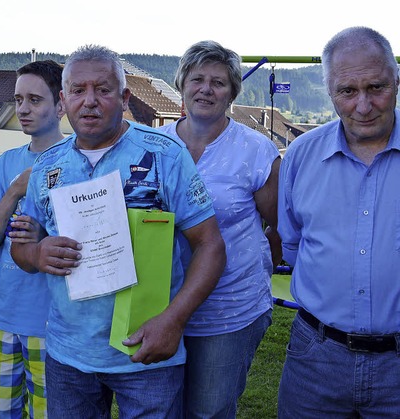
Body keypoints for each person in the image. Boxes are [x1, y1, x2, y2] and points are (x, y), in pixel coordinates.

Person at [10, 44, 226, 418]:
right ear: (63, 100)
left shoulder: (165, 156)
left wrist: (173, 321)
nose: (89, 102)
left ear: (125, 97)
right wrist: (36, 254)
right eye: (78, 91)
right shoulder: (46, 168)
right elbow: (21, 248)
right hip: (69, 355)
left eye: (103, 90)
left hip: (146, 351)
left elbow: (210, 246)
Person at [277, 26, 400, 417]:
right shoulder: (300, 156)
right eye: (347, 91)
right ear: (330, 92)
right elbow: (293, 243)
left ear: (397, 81)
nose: (363, 105)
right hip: (316, 358)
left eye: (376, 87)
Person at [157, 40, 281, 418]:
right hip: (159, 302)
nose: (206, 89)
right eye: (197, 79)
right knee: (159, 408)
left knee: (209, 411)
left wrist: (258, 271)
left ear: (232, 93)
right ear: (182, 84)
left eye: (218, 82)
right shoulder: (154, 145)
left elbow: (279, 225)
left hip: (229, 309)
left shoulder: (256, 150)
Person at [0, 60, 64, 418]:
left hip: (51, 317)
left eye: (35, 99)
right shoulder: (7, 161)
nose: (24, 109)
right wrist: (14, 190)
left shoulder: (77, 159)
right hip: (3, 310)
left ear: (61, 104)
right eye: (18, 99)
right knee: (4, 411)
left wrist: (43, 235)